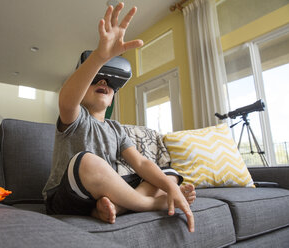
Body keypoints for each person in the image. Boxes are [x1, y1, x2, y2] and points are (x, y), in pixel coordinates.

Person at [43, 2, 196, 233]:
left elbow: (142, 163)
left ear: (113, 97)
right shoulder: (76, 116)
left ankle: (113, 207)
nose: (103, 83)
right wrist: (100, 56)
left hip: (105, 193)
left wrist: (169, 187)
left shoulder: (116, 129)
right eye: (96, 79)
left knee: (167, 173)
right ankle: (150, 204)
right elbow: (66, 100)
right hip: (68, 194)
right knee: (87, 161)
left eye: (110, 83)